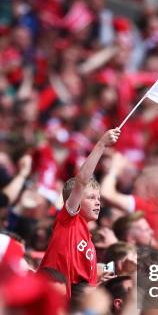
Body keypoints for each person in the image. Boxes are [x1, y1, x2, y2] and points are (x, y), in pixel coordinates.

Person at [39, 128, 120, 298]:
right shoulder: (68, 221)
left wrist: (97, 283)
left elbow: (82, 290)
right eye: (91, 197)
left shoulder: (89, 240)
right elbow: (81, 180)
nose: (98, 202)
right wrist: (101, 144)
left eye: (98, 198)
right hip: (48, 298)